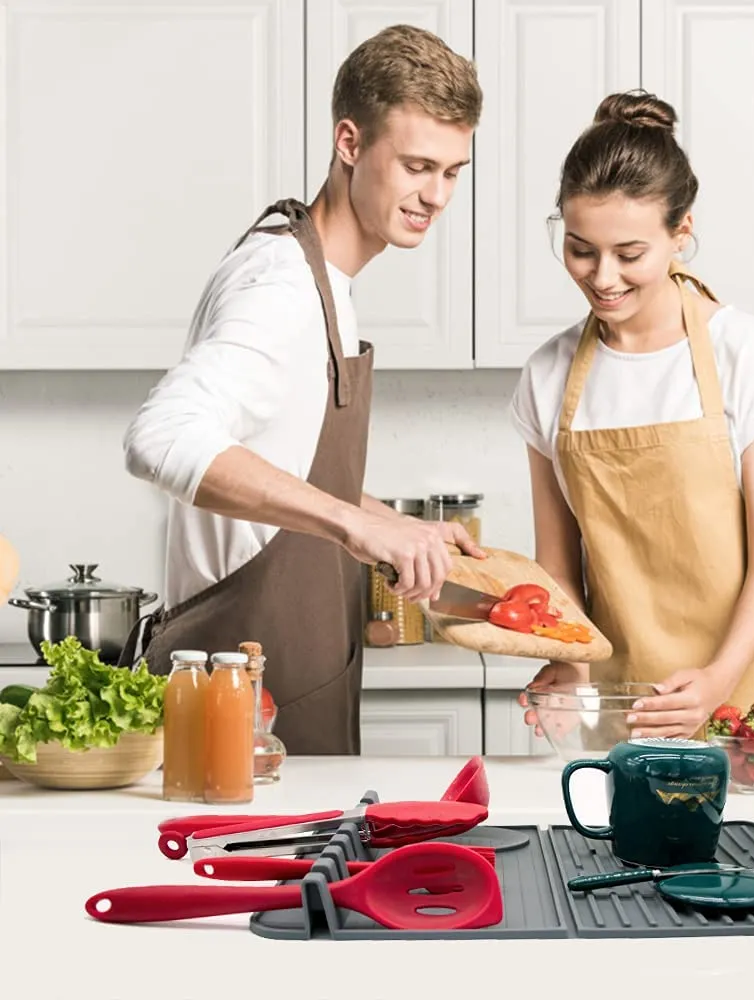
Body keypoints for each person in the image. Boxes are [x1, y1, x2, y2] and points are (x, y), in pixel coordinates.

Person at [121, 25, 485, 754]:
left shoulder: (322, 281)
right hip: (234, 703)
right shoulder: (280, 287)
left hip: (281, 692)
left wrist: (392, 522)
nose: (436, 195)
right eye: (417, 165)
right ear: (349, 142)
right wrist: (356, 527)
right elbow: (160, 437)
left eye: (452, 171)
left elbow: (280, 463)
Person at [515, 91, 754, 741]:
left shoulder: (748, 354)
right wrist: (567, 665)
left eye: (629, 254)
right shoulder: (547, 377)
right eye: (579, 249)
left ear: (681, 234)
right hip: (629, 710)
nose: (602, 278)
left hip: (750, 709)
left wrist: (716, 679)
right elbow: (560, 567)